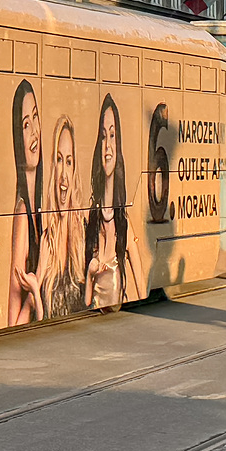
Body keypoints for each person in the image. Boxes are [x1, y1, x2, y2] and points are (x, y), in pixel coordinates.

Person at [85, 93, 143, 309]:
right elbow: (86, 300)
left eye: (112, 136)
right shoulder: (91, 218)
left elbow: (141, 287)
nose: (107, 147)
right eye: (102, 137)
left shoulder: (123, 223)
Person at [40, 116, 89, 319]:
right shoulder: (45, 241)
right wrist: (35, 287)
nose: (64, 176)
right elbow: (37, 316)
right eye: (59, 160)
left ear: (75, 169)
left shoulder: (86, 234)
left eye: (69, 162)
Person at [6, 79, 45, 326]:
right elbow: (14, 323)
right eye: (25, 125)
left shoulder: (39, 205)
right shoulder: (23, 213)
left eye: (35, 118)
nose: (33, 132)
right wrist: (37, 281)